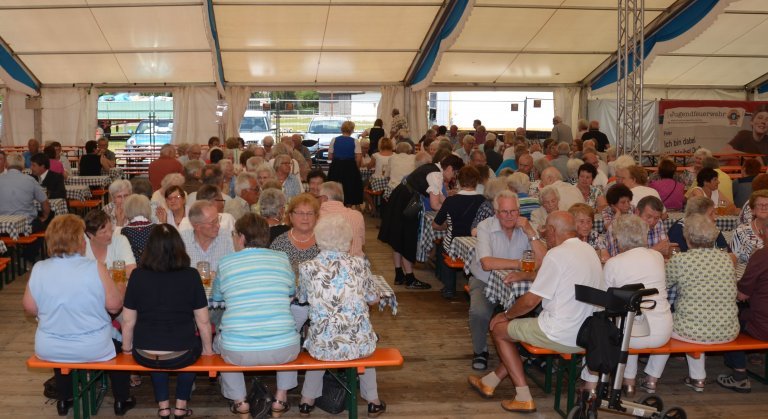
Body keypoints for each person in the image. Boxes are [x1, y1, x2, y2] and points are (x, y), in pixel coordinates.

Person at [469, 211, 600, 413]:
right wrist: (524, 275)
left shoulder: (556, 255)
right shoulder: (589, 250)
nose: (543, 232)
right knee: (522, 330)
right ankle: (490, 381)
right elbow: (556, 276)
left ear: (554, 230)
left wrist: (505, 315)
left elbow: (530, 301)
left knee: (500, 328)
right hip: (587, 332)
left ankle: (523, 396)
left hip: (560, 333)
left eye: (545, 228)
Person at [23, 215, 135, 417]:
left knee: (61, 338)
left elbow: (30, 308)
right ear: (79, 241)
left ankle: (65, 399)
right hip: (93, 347)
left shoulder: (39, 268)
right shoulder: (95, 268)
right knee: (120, 343)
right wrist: (119, 285)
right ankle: (121, 398)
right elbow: (114, 306)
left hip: (49, 347)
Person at [297, 215, 387, 418]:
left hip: (323, 345)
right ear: (348, 240)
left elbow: (302, 298)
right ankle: (373, 401)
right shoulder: (359, 264)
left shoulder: (307, 268)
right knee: (366, 343)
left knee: (319, 338)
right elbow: (373, 299)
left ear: (318, 238)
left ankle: (306, 401)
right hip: (358, 344)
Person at [120, 224, 214, 419]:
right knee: (190, 344)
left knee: (156, 345)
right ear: (179, 246)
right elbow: (203, 322)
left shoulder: (137, 276)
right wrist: (208, 350)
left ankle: (163, 407)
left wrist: (127, 350)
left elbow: (128, 322)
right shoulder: (191, 275)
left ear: (149, 248)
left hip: (143, 353)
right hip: (181, 354)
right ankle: (180, 406)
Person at [212, 214, 300, 418]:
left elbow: (217, 297)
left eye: (234, 235)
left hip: (239, 351)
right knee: (287, 334)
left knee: (224, 343)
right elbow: (290, 291)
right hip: (282, 350)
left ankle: (240, 402)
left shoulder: (226, 263)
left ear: (241, 237)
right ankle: (280, 397)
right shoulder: (281, 258)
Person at [640, 214, 739, 393]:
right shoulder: (726, 259)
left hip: (694, 329)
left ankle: (651, 379)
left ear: (687, 237)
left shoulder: (681, 260)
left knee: (669, 327)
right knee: (697, 319)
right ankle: (698, 379)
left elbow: (664, 285)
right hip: (728, 328)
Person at [581, 215, 672, 397]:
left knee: (599, 325)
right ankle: (629, 382)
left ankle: (590, 384)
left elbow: (603, 302)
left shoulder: (615, 263)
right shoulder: (657, 257)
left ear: (618, 238)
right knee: (632, 315)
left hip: (631, 334)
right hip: (662, 331)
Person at [467, 191, 546, 371]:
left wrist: (531, 233)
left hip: (520, 284)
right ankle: (480, 351)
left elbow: (543, 261)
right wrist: (520, 264)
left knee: (542, 307)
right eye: (504, 212)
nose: (510, 216)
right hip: (485, 281)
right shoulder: (485, 226)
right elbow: (487, 263)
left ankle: (530, 352)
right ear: (496, 212)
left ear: (519, 211)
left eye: (513, 211)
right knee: (479, 312)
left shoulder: (527, 227)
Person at [378, 155, 464, 290]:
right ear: (449, 168)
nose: (454, 177)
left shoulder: (433, 168)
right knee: (407, 239)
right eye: (455, 173)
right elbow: (435, 205)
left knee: (398, 238)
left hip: (400, 197)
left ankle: (399, 274)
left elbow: (441, 198)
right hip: (407, 202)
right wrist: (452, 212)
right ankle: (410, 279)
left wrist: (451, 206)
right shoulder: (436, 175)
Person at [717, 227, 768, 393]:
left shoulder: (762, 255)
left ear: (763, 232)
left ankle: (739, 376)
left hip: (763, 326)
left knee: (728, 320)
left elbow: (743, 294)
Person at [432, 166, 486, 299]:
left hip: (453, 244)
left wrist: (446, 226)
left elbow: (435, 224)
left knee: (443, 247)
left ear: (459, 181)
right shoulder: (483, 200)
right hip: (477, 245)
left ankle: (449, 287)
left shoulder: (451, 201)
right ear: (476, 181)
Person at [601, 196, 669, 259]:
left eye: (656, 218)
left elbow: (665, 250)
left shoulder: (659, 223)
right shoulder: (619, 226)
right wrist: (654, 250)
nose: (652, 221)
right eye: (648, 217)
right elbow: (619, 258)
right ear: (637, 212)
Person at [269, 193, 321, 275]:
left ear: (316, 217)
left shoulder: (324, 243)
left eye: (310, 213)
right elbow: (273, 274)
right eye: (300, 213)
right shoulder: (279, 244)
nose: (305, 218)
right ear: (291, 216)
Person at [318, 181, 366, 257]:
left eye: (317, 197)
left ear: (323, 198)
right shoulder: (357, 215)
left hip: (325, 265)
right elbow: (362, 243)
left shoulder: (316, 216)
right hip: (356, 264)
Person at [328, 120, 364, 206]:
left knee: (335, 187)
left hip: (336, 166)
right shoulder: (355, 141)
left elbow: (330, 156)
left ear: (341, 129)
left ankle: (335, 205)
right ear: (352, 130)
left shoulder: (334, 140)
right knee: (350, 188)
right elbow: (358, 158)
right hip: (350, 166)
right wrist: (357, 168)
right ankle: (348, 208)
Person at [731, 190, 768, 264]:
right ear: (752, 210)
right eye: (760, 204)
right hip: (747, 272)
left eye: (767, 204)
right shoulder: (741, 231)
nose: (764, 207)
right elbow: (732, 258)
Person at [120, 194, 156, 262]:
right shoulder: (156, 228)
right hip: (155, 269)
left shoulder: (125, 231)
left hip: (134, 270)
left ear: (128, 209)